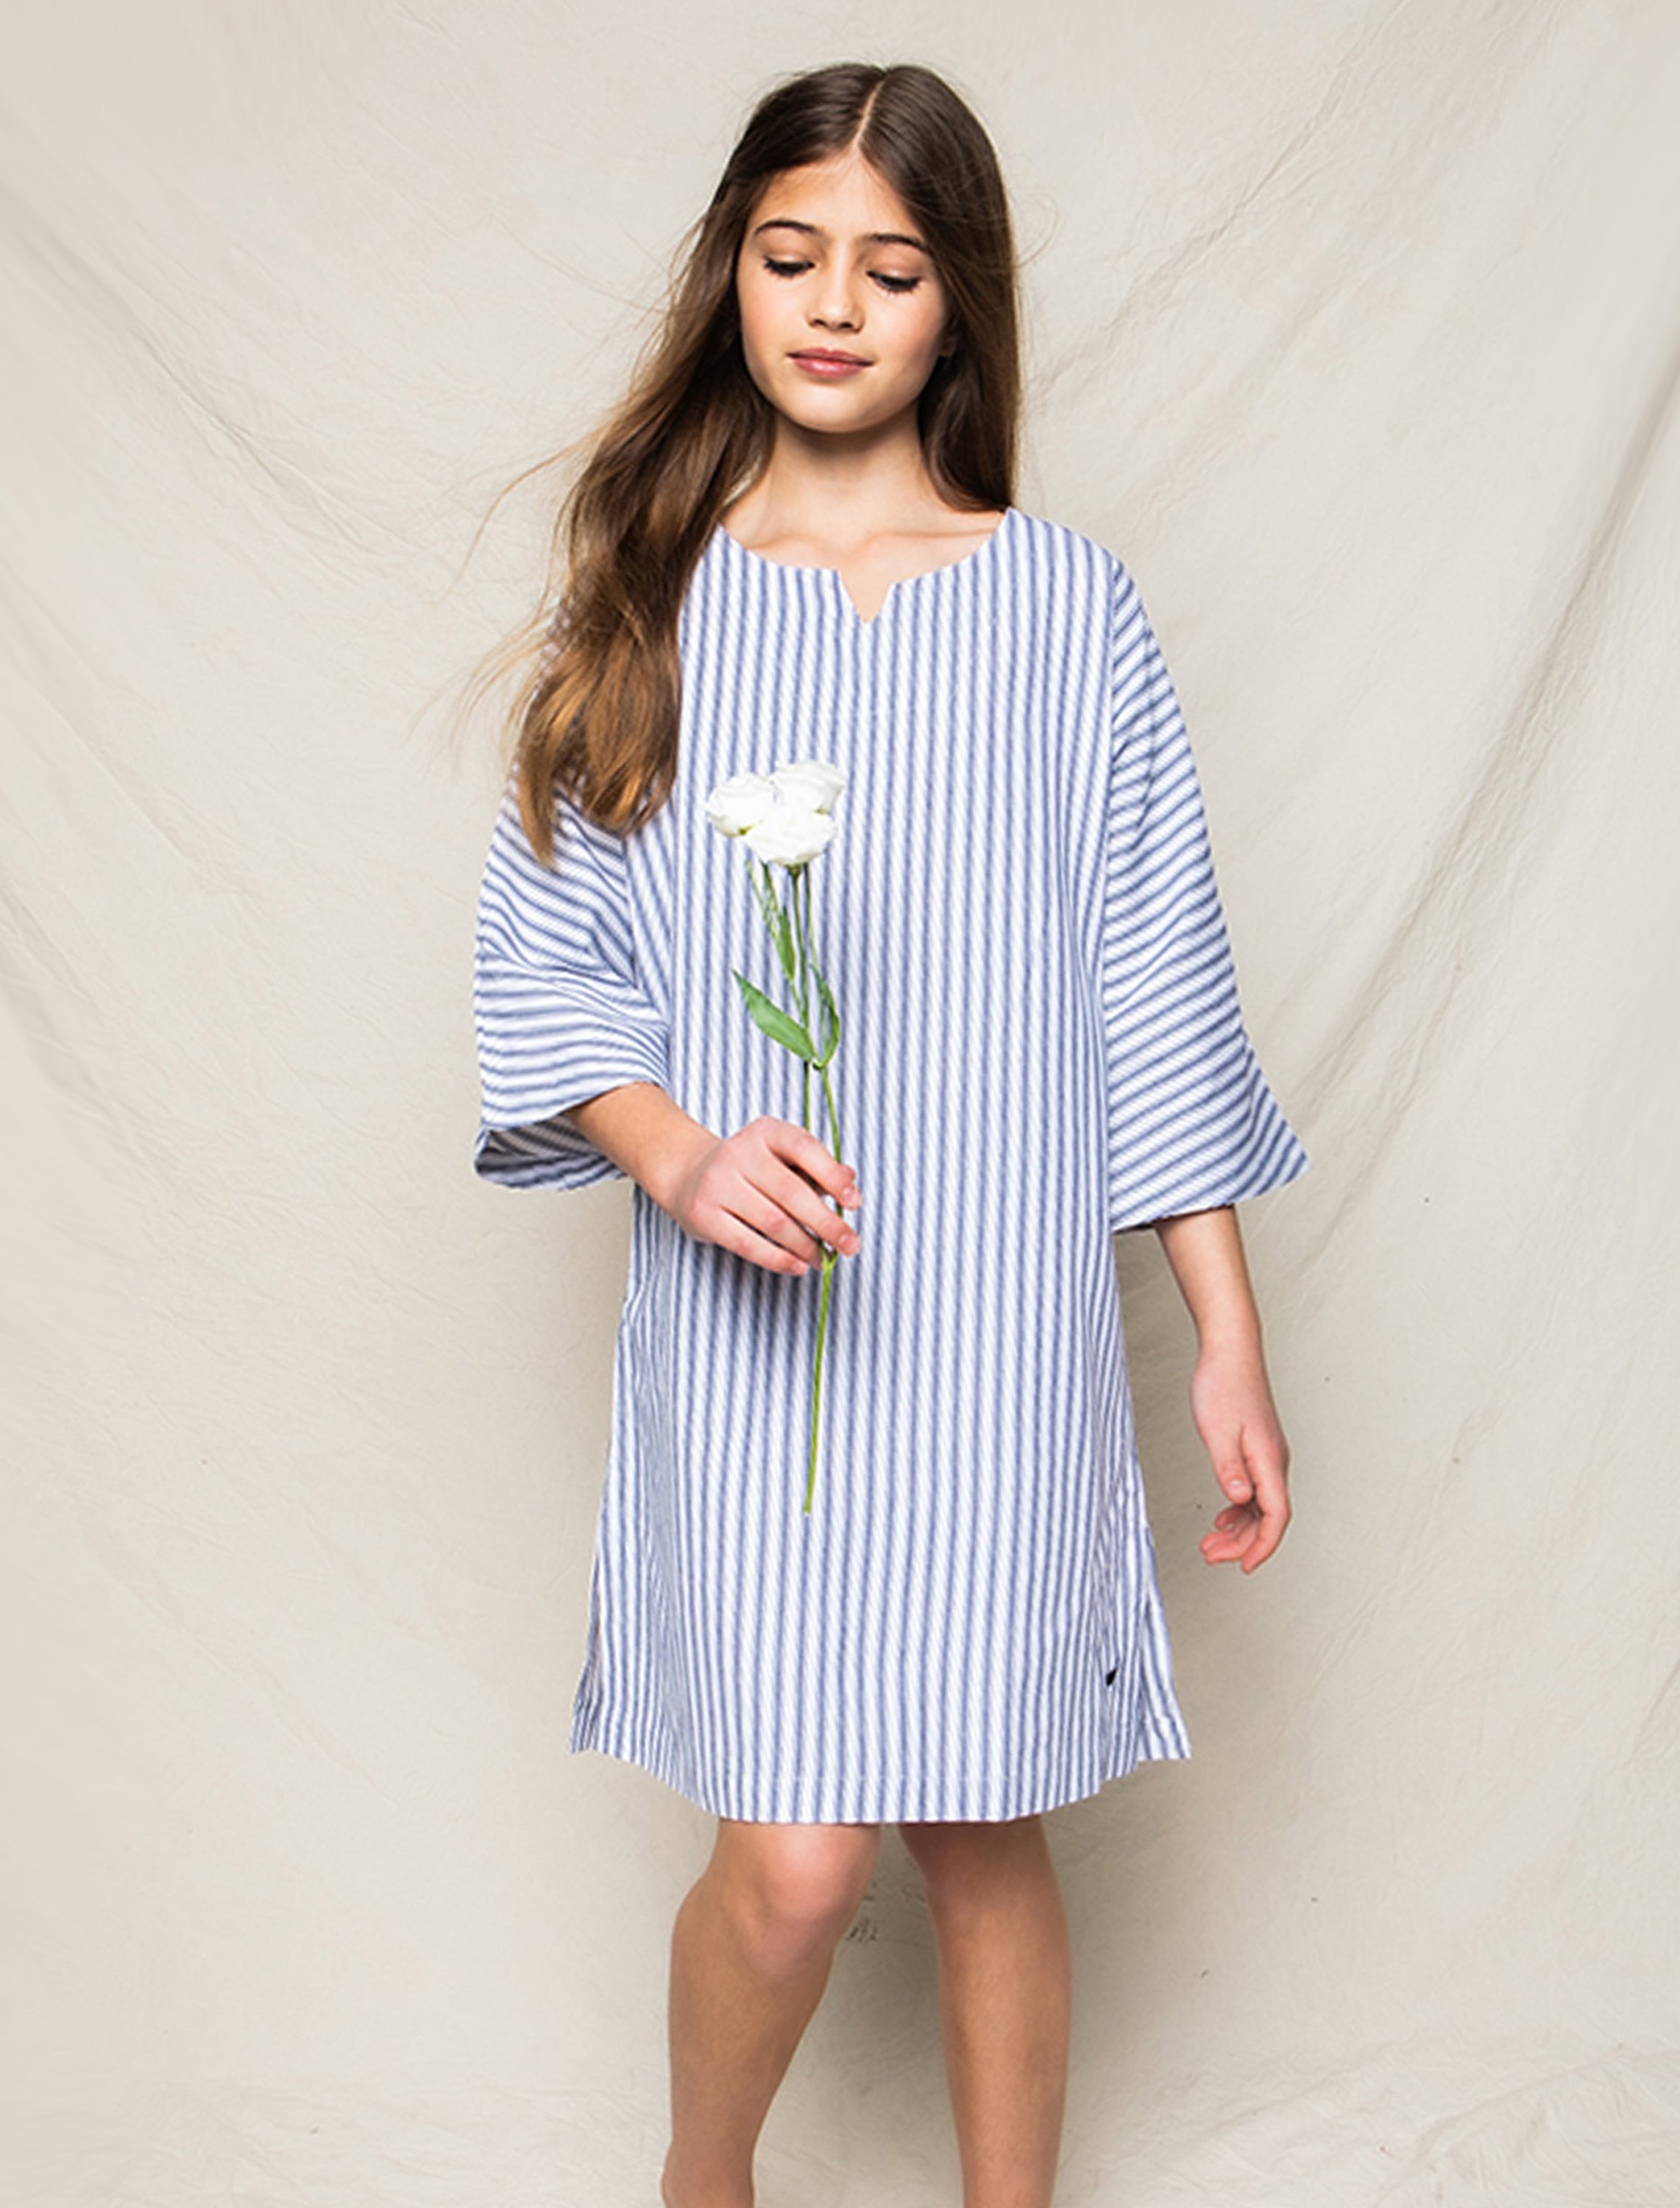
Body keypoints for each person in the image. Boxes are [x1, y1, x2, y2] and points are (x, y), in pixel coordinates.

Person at [470, 59, 1309, 2208]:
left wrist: (1222, 1333)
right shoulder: (647, 601)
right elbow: (558, 974)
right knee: (795, 1854)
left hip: (997, 1326)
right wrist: (676, 1156)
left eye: (892, 264)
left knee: (975, 1815)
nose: (835, 304)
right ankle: (702, 2183)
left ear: (959, 306)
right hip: (754, 1351)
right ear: (732, 277)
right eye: (790, 254)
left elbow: (1152, 991)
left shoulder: (1070, 615)